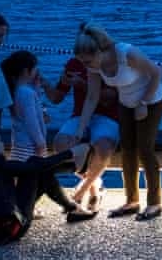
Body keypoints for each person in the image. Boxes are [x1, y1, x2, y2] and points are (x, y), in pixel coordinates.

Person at [73, 22, 162, 221]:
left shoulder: (127, 54)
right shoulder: (94, 67)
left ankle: (155, 202)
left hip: (150, 100)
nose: (86, 66)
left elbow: (156, 72)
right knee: (127, 150)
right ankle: (131, 200)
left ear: (100, 52)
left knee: (145, 149)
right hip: (126, 103)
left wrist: (143, 103)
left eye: (88, 61)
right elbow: (92, 97)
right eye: (83, 62)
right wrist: (81, 127)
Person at [0, 126, 95, 246]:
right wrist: (71, 152)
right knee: (36, 168)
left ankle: (72, 198)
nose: (3, 144)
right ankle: (72, 205)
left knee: (35, 167)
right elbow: (34, 167)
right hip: (7, 232)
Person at [43, 57, 120, 212]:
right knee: (61, 144)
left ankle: (82, 191)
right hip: (79, 115)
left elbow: (110, 98)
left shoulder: (110, 63)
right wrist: (44, 83)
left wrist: (82, 85)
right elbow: (57, 97)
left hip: (107, 116)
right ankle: (95, 185)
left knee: (103, 146)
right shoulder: (73, 63)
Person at [0, 51, 48, 162]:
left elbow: (33, 108)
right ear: (26, 71)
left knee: (21, 176)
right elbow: (31, 121)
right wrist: (40, 142)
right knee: (32, 177)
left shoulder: (17, 90)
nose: (37, 71)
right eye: (35, 67)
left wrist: (36, 88)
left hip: (20, 144)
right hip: (31, 147)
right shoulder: (26, 93)